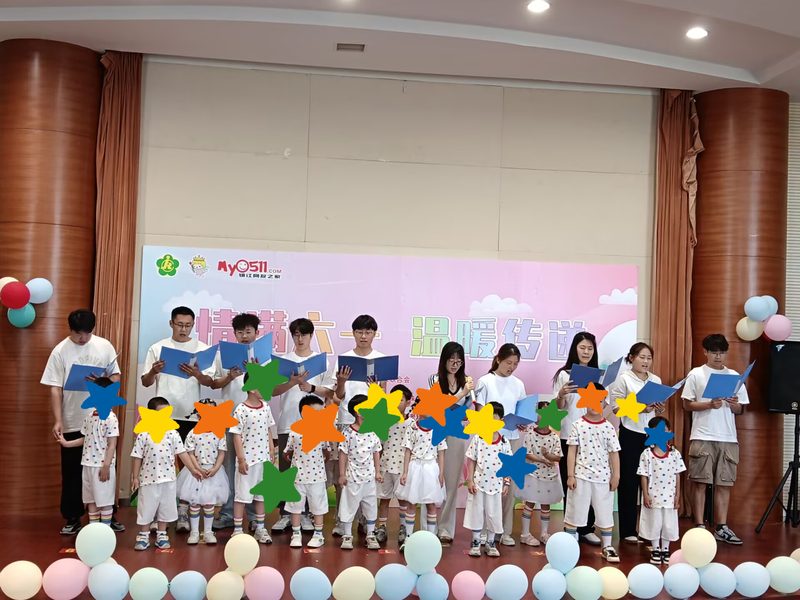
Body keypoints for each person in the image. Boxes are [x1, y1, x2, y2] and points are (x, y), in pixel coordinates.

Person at [41, 309, 123, 535]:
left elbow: (116, 377)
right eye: (78, 333)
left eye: (87, 333)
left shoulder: (104, 346)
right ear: (70, 329)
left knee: (104, 471)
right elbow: (55, 388)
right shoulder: (60, 351)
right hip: (73, 419)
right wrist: (58, 420)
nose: (83, 338)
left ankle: (109, 514)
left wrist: (103, 380)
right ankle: (73, 517)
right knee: (72, 472)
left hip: (101, 420)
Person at [142, 306, 219, 532]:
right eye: (179, 325)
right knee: (161, 464)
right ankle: (158, 515)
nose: (183, 329)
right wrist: (154, 371)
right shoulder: (158, 348)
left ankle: (184, 512)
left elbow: (210, 382)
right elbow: (146, 382)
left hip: (191, 415)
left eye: (188, 325)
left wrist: (196, 373)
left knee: (189, 466)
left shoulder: (201, 349)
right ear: (171, 324)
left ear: (193, 325)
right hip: (162, 416)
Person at [681, 333, 748, 545]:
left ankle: (722, 527)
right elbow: (686, 404)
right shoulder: (696, 374)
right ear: (705, 352)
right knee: (700, 482)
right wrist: (709, 404)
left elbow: (740, 409)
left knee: (724, 484)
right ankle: (699, 526)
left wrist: (734, 404)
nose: (718, 357)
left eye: (722, 353)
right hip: (702, 434)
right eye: (714, 353)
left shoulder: (734, 376)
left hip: (728, 436)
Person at [271, 318, 335, 533]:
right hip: (287, 423)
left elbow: (330, 392)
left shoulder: (321, 362)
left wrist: (310, 388)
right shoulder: (283, 361)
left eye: (304, 335)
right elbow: (273, 391)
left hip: (314, 427)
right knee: (286, 472)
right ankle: (284, 514)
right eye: (296, 335)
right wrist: (291, 383)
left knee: (309, 473)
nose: (300, 339)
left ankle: (305, 514)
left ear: (311, 336)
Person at [329, 314, 385, 536]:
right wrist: (341, 382)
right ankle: (341, 520)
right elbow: (337, 397)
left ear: (374, 334)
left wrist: (376, 389)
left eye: (368, 332)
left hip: (372, 422)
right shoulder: (344, 359)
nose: (363, 336)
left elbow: (383, 398)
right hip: (346, 421)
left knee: (368, 472)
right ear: (353, 333)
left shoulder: (380, 360)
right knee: (344, 473)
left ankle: (364, 520)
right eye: (360, 332)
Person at [607, 342, 666, 544]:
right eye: (642, 357)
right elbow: (616, 408)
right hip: (631, 434)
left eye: (649, 358)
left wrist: (659, 408)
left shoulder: (656, 380)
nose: (646, 361)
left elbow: (656, 409)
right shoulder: (624, 379)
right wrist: (640, 408)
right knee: (629, 483)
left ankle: (649, 530)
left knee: (651, 482)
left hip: (652, 434)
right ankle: (627, 530)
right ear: (631, 358)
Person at [131, 397, 203, 550]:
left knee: (166, 507)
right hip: (148, 479)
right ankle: (143, 535)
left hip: (168, 479)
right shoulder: (144, 434)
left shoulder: (173, 434)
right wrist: (135, 477)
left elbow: (182, 453)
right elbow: (137, 457)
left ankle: (162, 535)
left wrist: (193, 469)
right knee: (146, 506)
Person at [212, 313, 261, 532]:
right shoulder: (224, 356)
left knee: (254, 468)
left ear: (256, 333)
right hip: (229, 418)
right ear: (234, 333)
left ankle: (254, 515)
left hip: (256, 422)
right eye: (240, 332)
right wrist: (230, 376)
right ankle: (228, 513)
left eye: (248, 331)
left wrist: (257, 372)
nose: (244, 336)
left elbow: (269, 391)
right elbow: (214, 384)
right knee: (230, 466)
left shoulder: (264, 358)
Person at [552, 331, 602, 545]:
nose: (586, 352)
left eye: (590, 348)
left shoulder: (598, 375)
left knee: (590, 483)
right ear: (574, 349)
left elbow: (602, 406)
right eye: (582, 348)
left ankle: (587, 527)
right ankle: (571, 526)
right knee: (570, 481)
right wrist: (561, 394)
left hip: (592, 437)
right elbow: (560, 408)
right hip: (569, 436)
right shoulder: (564, 374)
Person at [475, 343, 526, 547]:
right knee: (487, 487)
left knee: (508, 487)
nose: (511, 367)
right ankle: (484, 531)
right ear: (498, 359)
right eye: (508, 362)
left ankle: (504, 531)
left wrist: (521, 421)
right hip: (489, 441)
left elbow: (521, 411)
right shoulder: (485, 381)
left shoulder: (518, 384)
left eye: (515, 364)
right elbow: (480, 414)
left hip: (511, 439)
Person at [564, 383, 621, 563]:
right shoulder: (577, 425)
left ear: (605, 403)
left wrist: (616, 476)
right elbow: (572, 451)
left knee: (604, 512)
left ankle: (607, 546)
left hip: (603, 478)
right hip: (581, 476)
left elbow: (614, 453)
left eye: (600, 400)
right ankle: (570, 546)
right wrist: (570, 475)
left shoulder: (609, 428)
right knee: (576, 510)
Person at [55, 376, 119, 528]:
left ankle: (105, 530)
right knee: (91, 501)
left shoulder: (111, 418)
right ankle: (94, 529)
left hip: (102, 466)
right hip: (88, 464)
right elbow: (85, 439)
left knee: (104, 501)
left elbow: (112, 444)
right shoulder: (89, 418)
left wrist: (106, 465)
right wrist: (66, 443)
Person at [428, 342, 475, 546]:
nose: (455, 365)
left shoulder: (466, 381)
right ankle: (428, 527)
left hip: (456, 431)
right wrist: (462, 394)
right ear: (444, 360)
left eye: (459, 361)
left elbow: (469, 408)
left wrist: (468, 397)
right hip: (436, 430)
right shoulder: (435, 379)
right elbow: (440, 405)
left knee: (452, 480)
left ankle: (445, 528)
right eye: (451, 360)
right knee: (432, 478)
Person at [230, 373, 276, 543]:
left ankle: (261, 528)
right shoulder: (241, 409)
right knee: (241, 496)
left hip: (263, 461)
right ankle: (237, 530)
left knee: (261, 496)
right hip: (248, 462)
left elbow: (268, 429)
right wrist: (241, 460)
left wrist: (271, 450)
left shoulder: (266, 407)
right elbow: (236, 435)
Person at [397, 399, 447, 551]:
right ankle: (408, 537)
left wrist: (441, 473)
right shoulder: (412, 427)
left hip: (431, 469)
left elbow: (441, 452)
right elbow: (407, 450)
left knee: (431, 504)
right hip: (415, 468)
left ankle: (431, 539)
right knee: (412, 504)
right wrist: (405, 471)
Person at [464, 402, 511, 558]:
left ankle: (491, 542)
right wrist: (470, 480)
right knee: (476, 512)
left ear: (501, 421)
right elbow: (472, 460)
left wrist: (506, 483)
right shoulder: (478, 438)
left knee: (494, 514)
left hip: (496, 486)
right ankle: (476, 541)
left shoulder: (504, 442)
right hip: (478, 484)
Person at [284, 395, 331, 549]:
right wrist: (290, 458)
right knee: (295, 507)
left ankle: (318, 534)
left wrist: (323, 460)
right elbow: (287, 451)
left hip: (317, 478)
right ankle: (296, 534)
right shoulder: (294, 432)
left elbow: (326, 451)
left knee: (318, 507)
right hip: (297, 478)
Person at [175, 412, 229, 545]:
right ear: (199, 416)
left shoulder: (220, 433)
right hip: (195, 472)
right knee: (195, 502)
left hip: (213, 472)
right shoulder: (193, 433)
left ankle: (208, 532)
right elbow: (190, 454)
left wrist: (215, 469)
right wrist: (198, 468)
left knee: (209, 503)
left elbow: (221, 453)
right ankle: (194, 532)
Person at [638, 416, 685, 565]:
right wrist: (645, 494)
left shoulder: (675, 454)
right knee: (654, 522)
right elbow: (644, 475)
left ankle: (665, 549)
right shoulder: (646, 454)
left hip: (669, 496)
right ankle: (655, 549)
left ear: (669, 432)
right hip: (653, 495)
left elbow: (678, 475)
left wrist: (678, 495)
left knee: (668, 523)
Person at [338, 395, 383, 550]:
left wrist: (378, 472)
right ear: (358, 412)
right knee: (349, 505)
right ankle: (347, 535)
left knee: (370, 505)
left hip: (369, 477)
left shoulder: (373, 431)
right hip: (352, 477)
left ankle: (370, 534)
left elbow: (376, 452)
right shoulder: (348, 432)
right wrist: (342, 474)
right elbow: (343, 453)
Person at [518, 400, 563, 546]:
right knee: (529, 503)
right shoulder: (530, 435)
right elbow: (527, 453)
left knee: (546, 504)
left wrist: (549, 456)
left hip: (549, 477)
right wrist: (543, 460)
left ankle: (544, 533)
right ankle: (525, 533)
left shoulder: (554, 437)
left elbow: (558, 456)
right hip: (533, 475)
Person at [376, 384, 412, 545]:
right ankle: (382, 528)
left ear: (408, 402)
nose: (397, 403)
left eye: (401, 400)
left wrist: (408, 470)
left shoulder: (412, 424)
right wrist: (377, 468)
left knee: (403, 500)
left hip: (403, 468)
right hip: (385, 466)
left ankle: (403, 528)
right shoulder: (383, 421)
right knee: (384, 499)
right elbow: (378, 446)